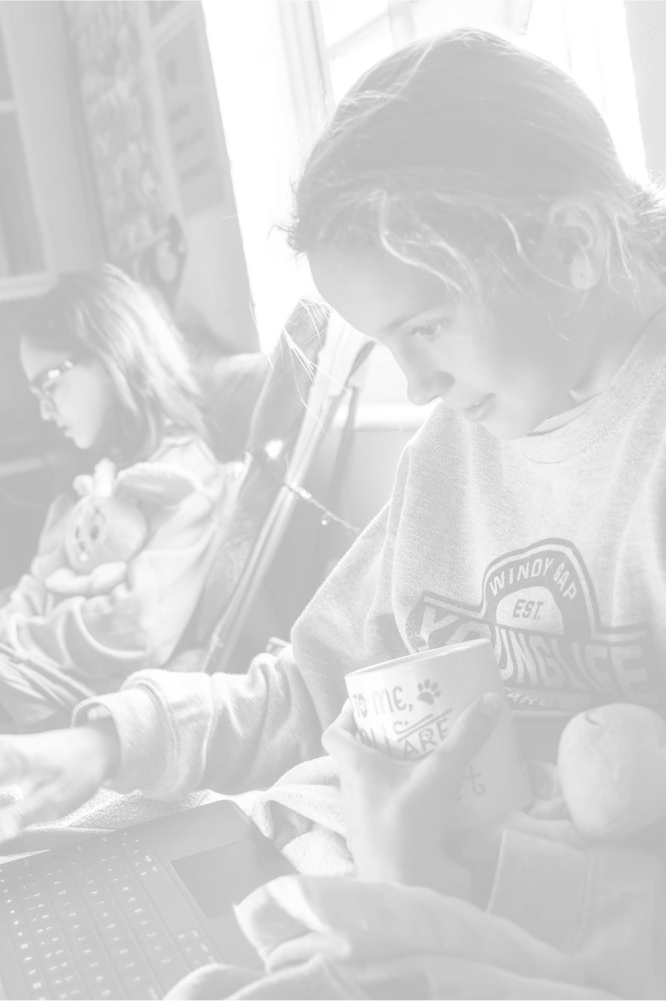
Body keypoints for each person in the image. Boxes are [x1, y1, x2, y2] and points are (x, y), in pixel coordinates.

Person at [0, 26, 664, 996]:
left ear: (572, 242)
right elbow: (315, 687)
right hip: (322, 843)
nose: (418, 382)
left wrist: (425, 883)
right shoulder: (455, 447)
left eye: (426, 325)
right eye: (386, 343)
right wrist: (99, 741)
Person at [0, 264, 231, 731]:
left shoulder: (183, 473)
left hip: (98, 698)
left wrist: (16, 639)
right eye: (36, 392)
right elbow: (38, 578)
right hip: (33, 669)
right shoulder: (96, 472)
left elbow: (139, 628)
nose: (45, 411)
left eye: (51, 383)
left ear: (110, 356)